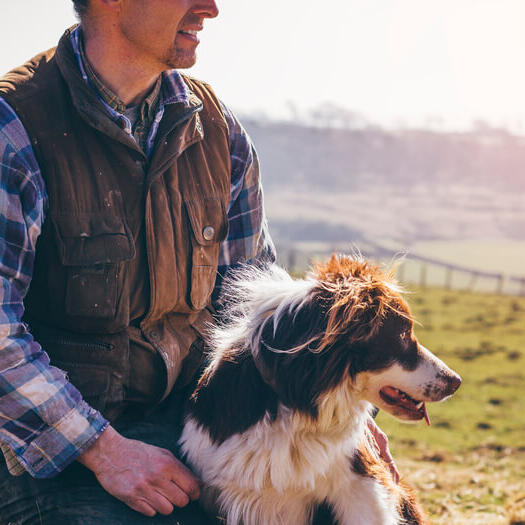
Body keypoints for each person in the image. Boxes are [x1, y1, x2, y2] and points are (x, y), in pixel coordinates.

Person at [0, 1, 397, 523]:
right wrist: (105, 451)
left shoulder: (218, 131)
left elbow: (250, 304)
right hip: (50, 455)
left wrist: (324, 402)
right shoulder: (15, 127)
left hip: (190, 426)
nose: (210, 7)